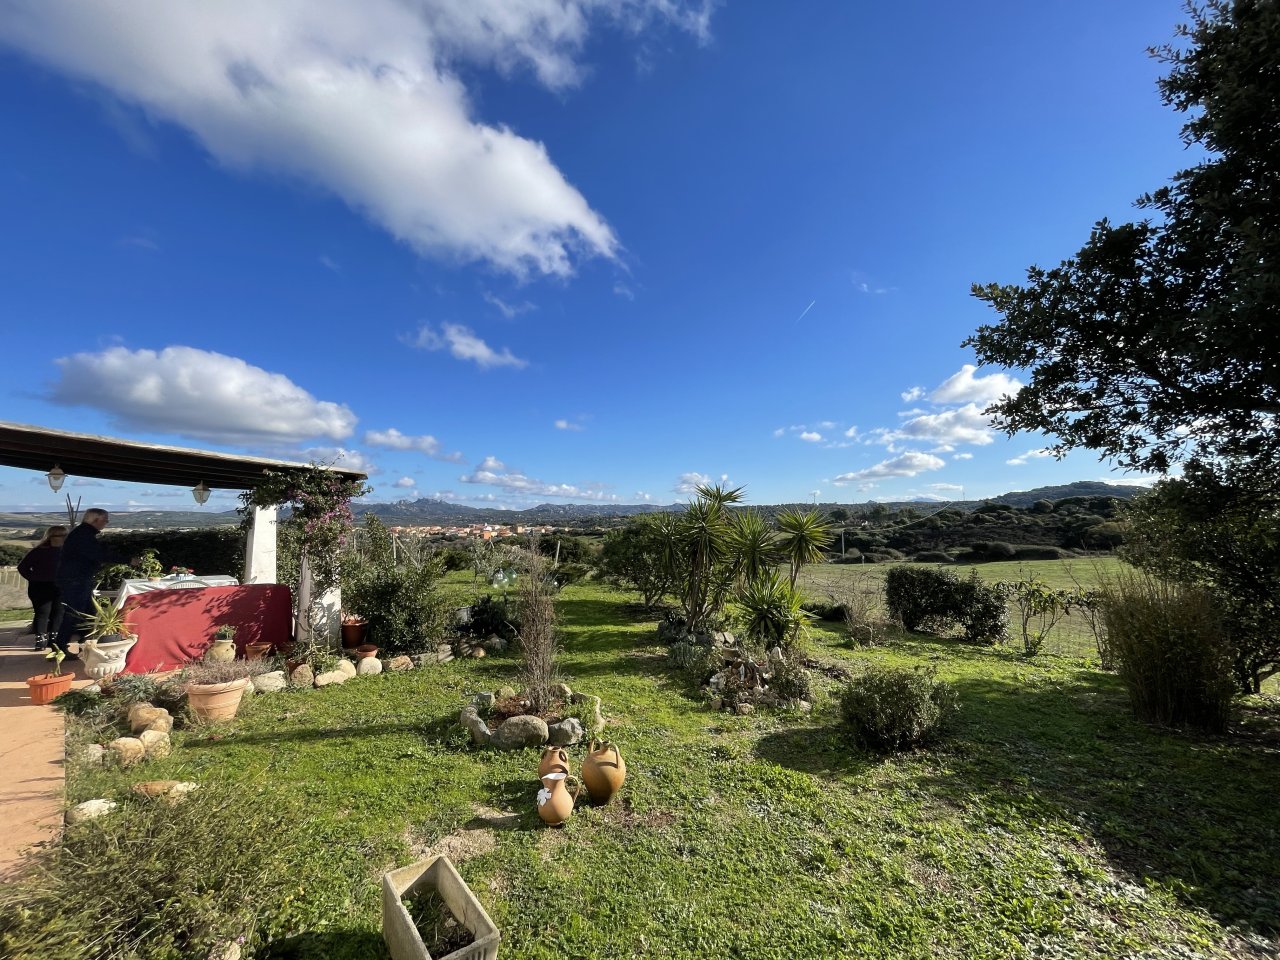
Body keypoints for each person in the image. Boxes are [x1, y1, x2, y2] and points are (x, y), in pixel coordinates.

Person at [52, 508, 110, 661]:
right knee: (74, 613)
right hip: (75, 580)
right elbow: (97, 554)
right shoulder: (83, 535)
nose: (107, 523)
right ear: (95, 520)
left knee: (89, 613)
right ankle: (60, 648)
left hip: (77, 579)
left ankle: (86, 644)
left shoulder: (83, 533)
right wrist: (128, 560)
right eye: (105, 519)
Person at [17, 525, 67, 650]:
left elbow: (22, 567)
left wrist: (33, 578)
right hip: (51, 586)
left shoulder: (39, 551)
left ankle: (42, 641)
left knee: (46, 613)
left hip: (41, 586)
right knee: (55, 613)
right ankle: (52, 639)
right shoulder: (67, 552)